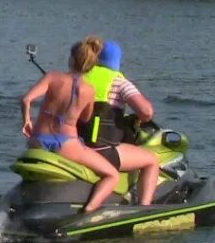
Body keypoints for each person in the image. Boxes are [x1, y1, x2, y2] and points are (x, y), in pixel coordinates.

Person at [20, 35, 121, 213]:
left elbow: (26, 99)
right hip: (66, 145)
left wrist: (27, 121)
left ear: (71, 59)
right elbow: (85, 118)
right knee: (112, 175)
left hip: (38, 140)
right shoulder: (89, 90)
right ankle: (89, 210)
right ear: (91, 64)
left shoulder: (52, 77)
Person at [79, 40, 160, 206]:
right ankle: (144, 208)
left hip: (74, 145)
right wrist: (142, 118)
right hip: (100, 148)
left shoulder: (77, 77)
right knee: (152, 160)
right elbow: (146, 111)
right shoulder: (118, 82)